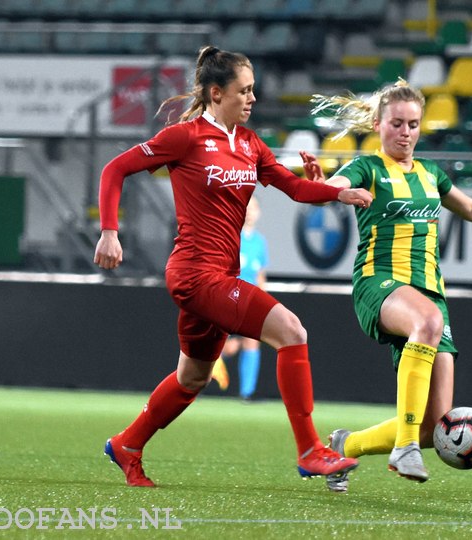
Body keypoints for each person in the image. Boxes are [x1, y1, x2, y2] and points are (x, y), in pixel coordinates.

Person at [93, 45, 371, 487]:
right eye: (244, 91)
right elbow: (114, 170)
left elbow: (294, 189)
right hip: (194, 275)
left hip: (220, 276)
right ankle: (310, 451)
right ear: (216, 93)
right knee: (292, 331)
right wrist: (110, 230)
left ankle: (127, 443)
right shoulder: (185, 137)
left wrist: (335, 191)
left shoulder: (249, 144)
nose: (253, 98)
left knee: (194, 375)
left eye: (254, 90)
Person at [308, 80, 472, 491]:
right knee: (426, 324)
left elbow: (470, 207)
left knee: (435, 425)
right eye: (397, 123)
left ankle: (347, 444)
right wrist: (326, 190)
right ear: (378, 124)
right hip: (379, 284)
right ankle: (403, 447)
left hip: (430, 294)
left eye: (413, 124)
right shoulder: (367, 168)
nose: (406, 133)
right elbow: (335, 186)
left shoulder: (431, 174)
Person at [214, 195, 268, 401]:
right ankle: (198, 378)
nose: (250, 212)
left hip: (251, 300)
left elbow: (260, 276)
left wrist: (263, 303)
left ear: (259, 212)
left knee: (252, 342)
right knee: (224, 345)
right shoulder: (231, 237)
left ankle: (247, 393)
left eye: (254, 208)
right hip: (229, 298)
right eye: (247, 207)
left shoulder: (260, 243)